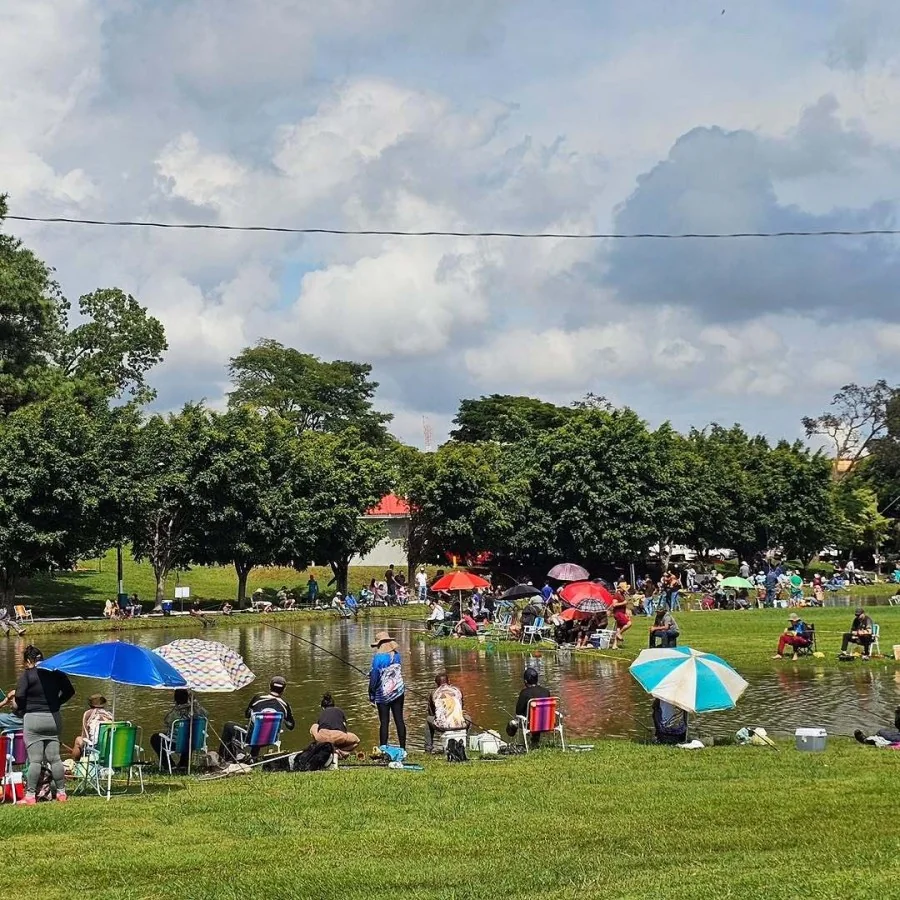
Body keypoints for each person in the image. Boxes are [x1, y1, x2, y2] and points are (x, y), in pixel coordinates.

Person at [15, 645, 75, 804]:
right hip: (53, 718)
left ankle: (30, 796)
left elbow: (20, 695)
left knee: (35, 760)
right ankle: (61, 793)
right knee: (55, 758)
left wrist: (22, 709)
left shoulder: (27, 675)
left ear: (29, 660)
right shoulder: (56, 672)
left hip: (33, 718)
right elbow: (70, 691)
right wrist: (56, 703)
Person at [219, 676, 295, 762]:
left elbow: (247, 715)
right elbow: (291, 726)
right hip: (271, 739)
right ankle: (252, 758)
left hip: (252, 738)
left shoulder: (258, 698)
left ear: (269, 687)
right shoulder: (285, 705)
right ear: (284, 690)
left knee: (228, 725)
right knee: (261, 729)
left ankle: (222, 758)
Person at [150, 688, 209, 768]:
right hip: (196, 742)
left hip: (177, 744)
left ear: (175, 699)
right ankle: (183, 763)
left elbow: (167, 721)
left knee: (155, 738)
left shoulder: (175, 713)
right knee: (189, 734)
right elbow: (206, 714)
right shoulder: (195, 710)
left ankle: (169, 764)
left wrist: (176, 707)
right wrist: (195, 703)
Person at [369, 631, 406, 749]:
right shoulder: (397, 655)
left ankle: (383, 747)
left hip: (383, 694)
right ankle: (403, 747)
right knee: (399, 719)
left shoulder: (378, 658)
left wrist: (371, 693)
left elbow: (375, 677)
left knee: (384, 722)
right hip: (398, 691)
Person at [425, 672, 471, 752]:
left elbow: (431, 713)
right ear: (448, 681)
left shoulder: (433, 693)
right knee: (468, 718)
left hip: (443, 726)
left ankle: (428, 748)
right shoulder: (457, 690)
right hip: (461, 724)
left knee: (428, 719)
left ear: (436, 683)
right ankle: (467, 744)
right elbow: (461, 707)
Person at [508, 667, 551, 746]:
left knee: (512, 723)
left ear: (525, 681)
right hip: (547, 723)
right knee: (537, 717)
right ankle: (535, 741)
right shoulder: (546, 691)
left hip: (531, 724)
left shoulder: (524, 693)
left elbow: (518, 712)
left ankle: (509, 741)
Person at [310, 693, 360, 758]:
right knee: (357, 741)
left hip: (323, 737)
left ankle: (322, 748)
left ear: (322, 707)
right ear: (334, 705)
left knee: (314, 726)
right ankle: (341, 751)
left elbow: (319, 726)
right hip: (339, 736)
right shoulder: (340, 711)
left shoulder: (322, 713)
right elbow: (344, 726)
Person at [71, 693, 114, 761]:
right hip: (110, 747)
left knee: (78, 739)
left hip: (95, 747)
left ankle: (74, 763)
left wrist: (83, 746)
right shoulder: (110, 715)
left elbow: (84, 735)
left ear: (90, 704)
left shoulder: (88, 713)